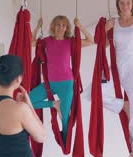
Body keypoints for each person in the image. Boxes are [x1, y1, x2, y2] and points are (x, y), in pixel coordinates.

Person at [85, 0, 133, 157]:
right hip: (116, 68)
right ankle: (122, 106)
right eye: (122, 2)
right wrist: (104, 30)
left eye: (128, 2)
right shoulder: (113, 23)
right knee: (93, 93)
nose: (125, 6)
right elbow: (103, 45)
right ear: (118, 5)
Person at [30, 15, 94, 144]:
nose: (60, 27)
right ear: (53, 26)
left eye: (63, 25)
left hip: (66, 83)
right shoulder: (47, 41)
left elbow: (91, 40)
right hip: (50, 84)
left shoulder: (70, 41)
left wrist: (80, 26)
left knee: (65, 117)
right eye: (58, 24)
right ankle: (54, 104)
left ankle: (65, 142)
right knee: (29, 101)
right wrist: (37, 27)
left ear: (67, 28)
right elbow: (31, 43)